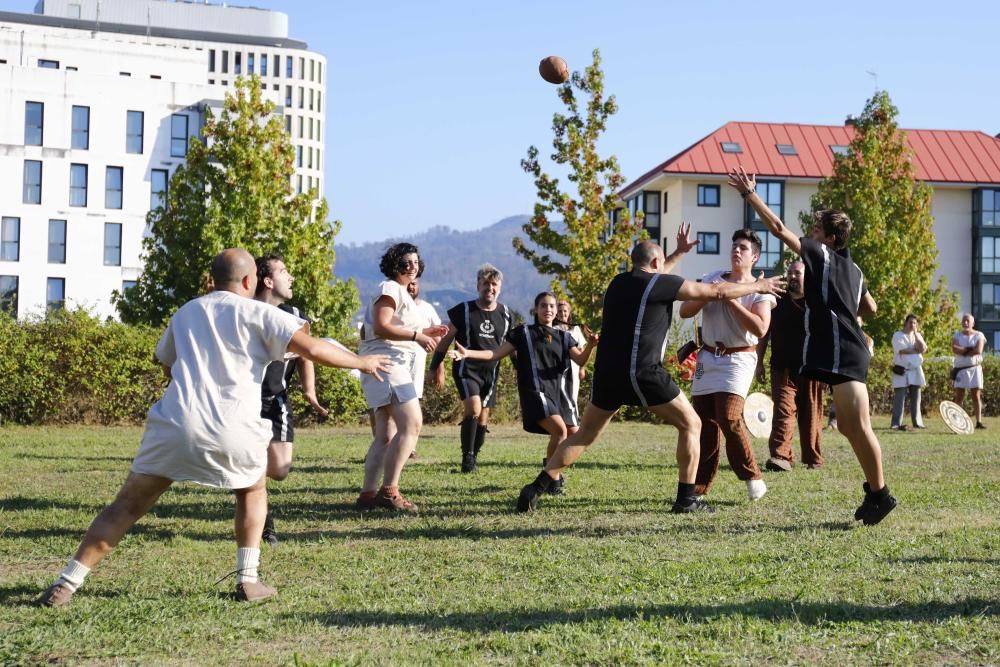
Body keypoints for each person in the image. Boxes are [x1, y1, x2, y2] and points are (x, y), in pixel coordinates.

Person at [37, 249, 392, 607]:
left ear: (213, 280)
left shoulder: (187, 311)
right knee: (252, 490)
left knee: (125, 507)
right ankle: (248, 580)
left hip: (175, 422)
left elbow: (167, 364)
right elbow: (312, 349)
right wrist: (362, 361)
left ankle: (67, 583)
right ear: (250, 281)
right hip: (234, 425)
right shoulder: (260, 313)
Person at [514, 226, 786, 514]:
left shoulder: (618, 283)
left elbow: (655, 277)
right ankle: (686, 499)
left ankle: (536, 487)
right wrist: (758, 287)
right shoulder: (662, 284)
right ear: (657, 265)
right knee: (692, 425)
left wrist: (679, 253)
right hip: (642, 371)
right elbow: (716, 291)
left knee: (584, 435)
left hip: (607, 374)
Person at [730, 166, 897, 525]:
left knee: (861, 427)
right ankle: (874, 491)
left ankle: (881, 494)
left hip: (845, 351)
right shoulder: (854, 269)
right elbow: (868, 306)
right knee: (852, 427)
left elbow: (777, 230)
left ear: (832, 239)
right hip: (848, 347)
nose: (810, 234)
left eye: (817, 230)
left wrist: (750, 195)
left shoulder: (823, 256)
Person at [449, 292, 598, 493]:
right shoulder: (523, 333)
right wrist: (467, 353)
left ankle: (553, 477)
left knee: (564, 433)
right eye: (544, 306)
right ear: (535, 310)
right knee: (560, 431)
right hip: (534, 392)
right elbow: (495, 353)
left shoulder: (565, 337)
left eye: (552, 306)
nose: (549, 310)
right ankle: (552, 476)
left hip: (555, 394)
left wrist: (590, 345)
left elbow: (580, 361)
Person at [679, 229, 777, 500]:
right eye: (734, 245)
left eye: (743, 248)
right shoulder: (712, 279)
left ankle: (752, 475)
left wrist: (729, 299)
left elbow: (760, 328)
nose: (736, 250)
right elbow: (685, 310)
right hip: (707, 357)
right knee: (704, 423)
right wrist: (711, 293)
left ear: (755, 257)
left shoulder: (761, 289)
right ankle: (699, 487)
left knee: (729, 417)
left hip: (739, 358)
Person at [357, 243, 447, 512]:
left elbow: (393, 325)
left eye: (416, 262)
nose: (412, 266)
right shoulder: (391, 288)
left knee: (385, 435)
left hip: (383, 366)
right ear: (394, 264)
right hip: (388, 365)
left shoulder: (400, 294)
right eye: (406, 262)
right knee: (412, 424)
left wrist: (427, 331)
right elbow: (383, 325)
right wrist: (417, 336)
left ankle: (367, 495)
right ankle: (389, 491)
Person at [254, 254, 329, 546]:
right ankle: (263, 520)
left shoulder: (294, 313)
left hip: (276, 400)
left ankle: (254, 493)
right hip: (245, 400)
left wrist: (309, 391)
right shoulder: (246, 312)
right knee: (254, 465)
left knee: (280, 469)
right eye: (284, 271)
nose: (291, 277)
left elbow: (307, 352)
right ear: (268, 281)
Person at [430, 264, 513, 472]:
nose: (490, 288)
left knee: (483, 418)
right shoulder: (464, 310)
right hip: (466, 369)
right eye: (485, 283)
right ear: (478, 285)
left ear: (500, 288)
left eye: (494, 284)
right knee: (473, 409)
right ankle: (467, 459)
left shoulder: (506, 314)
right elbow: (445, 338)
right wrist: (435, 365)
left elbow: (510, 347)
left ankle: (474, 456)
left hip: (491, 372)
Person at [756, 261, 825, 471]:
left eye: (798, 273)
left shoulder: (817, 302)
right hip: (782, 367)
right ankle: (780, 456)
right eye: (790, 273)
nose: (793, 276)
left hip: (812, 368)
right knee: (783, 411)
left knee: (811, 414)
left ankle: (813, 459)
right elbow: (763, 333)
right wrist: (758, 362)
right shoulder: (777, 300)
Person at [890, 314, 927, 430]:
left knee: (916, 399)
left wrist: (916, 335)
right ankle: (896, 423)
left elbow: (924, 349)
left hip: (915, 370)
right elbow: (902, 350)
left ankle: (917, 422)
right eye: (911, 322)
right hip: (902, 370)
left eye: (915, 323)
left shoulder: (918, 336)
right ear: (905, 323)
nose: (912, 325)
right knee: (899, 399)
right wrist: (916, 350)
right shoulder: (898, 335)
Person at [952, 312, 986, 429]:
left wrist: (964, 351)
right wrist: (969, 350)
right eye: (964, 320)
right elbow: (955, 349)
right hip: (960, 369)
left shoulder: (979, 335)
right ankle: (957, 421)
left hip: (974, 369)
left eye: (968, 321)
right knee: (959, 396)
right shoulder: (957, 335)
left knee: (976, 396)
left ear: (973, 323)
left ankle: (979, 421)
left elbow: (978, 350)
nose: (966, 322)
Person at [555, 299, 587, 408]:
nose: (562, 313)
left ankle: (573, 421)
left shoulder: (575, 329)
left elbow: (581, 349)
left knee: (572, 395)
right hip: (557, 368)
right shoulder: (552, 329)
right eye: (560, 311)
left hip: (573, 367)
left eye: (565, 311)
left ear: (569, 313)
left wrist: (582, 368)